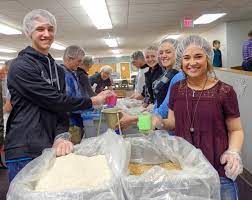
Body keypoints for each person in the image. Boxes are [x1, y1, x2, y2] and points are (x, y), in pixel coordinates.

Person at [4, 9, 111, 182]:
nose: (46, 34)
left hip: (49, 146)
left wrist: (61, 136)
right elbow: (53, 100)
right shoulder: (21, 66)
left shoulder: (55, 68)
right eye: (40, 29)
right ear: (29, 32)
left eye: (50, 29)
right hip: (25, 147)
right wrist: (91, 101)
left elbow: (61, 108)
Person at [154, 35, 244, 200]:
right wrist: (160, 122)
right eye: (186, 58)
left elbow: (236, 129)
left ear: (208, 58)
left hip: (219, 171)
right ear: (181, 61)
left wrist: (233, 152)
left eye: (198, 56)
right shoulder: (176, 89)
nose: (192, 63)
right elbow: (172, 123)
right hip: (186, 171)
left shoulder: (224, 91)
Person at [118, 39, 184, 129]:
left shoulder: (177, 75)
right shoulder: (166, 73)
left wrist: (133, 118)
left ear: (178, 53)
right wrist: (150, 109)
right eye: (161, 53)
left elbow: (165, 108)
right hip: (160, 120)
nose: (163, 55)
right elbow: (157, 98)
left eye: (168, 52)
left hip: (169, 123)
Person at [61, 45, 85, 144]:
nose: (79, 65)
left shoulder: (72, 73)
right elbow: (67, 102)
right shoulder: (63, 75)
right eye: (78, 61)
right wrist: (89, 104)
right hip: (70, 123)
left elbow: (76, 95)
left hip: (76, 119)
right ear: (69, 58)